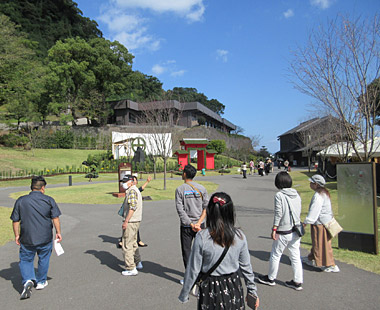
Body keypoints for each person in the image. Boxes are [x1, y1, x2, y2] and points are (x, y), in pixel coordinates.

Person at [179, 192, 259, 309]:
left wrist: (184, 294)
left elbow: (193, 269)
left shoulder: (202, 237)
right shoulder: (239, 236)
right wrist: (252, 291)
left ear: (209, 212)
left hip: (210, 288)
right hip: (233, 286)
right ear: (230, 212)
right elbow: (246, 267)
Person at [10, 176, 62, 300]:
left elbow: (15, 220)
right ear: (43, 188)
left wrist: (17, 234)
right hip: (45, 236)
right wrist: (58, 232)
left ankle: (28, 279)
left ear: (31, 186)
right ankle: (41, 281)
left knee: (26, 259)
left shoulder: (21, 201)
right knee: (44, 258)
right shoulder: (49, 200)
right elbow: (55, 218)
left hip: (27, 237)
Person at [258, 171, 303, 291]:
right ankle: (297, 281)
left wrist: (274, 228)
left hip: (284, 230)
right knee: (295, 256)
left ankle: (271, 278)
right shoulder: (297, 194)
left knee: (276, 254)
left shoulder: (279, 195)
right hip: (296, 230)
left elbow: (279, 213)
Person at [175, 164, 208, 284]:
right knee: (202, 251)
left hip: (186, 226)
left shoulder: (180, 189)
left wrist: (190, 224)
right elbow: (206, 208)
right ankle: (203, 276)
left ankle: (190, 277)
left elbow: (180, 209)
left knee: (187, 251)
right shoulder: (202, 188)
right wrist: (198, 223)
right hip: (200, 225)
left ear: (184, 174)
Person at [302, 175, 340, 273]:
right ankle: (311, 258)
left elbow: (314, 211)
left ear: (316, 184)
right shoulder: (324, 193)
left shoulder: (318, 196)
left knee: (322, 244)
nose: (310, 184)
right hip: (326, 222)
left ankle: (330, 264)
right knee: (318, 243)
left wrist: (306, 222)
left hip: (320, 223)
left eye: (311, 182)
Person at [118, 175, 152, 249]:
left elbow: (133, 207)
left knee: (131, 230)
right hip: (132, 217)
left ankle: (134, 242)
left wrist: (147, 181)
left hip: (133, 216)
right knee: (130, 231)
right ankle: (125, 241)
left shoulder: (134, 191)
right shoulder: (132, 190)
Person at [120, 175, 144, 276]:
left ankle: (131, 267)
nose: (123, 184)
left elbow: (132, 207)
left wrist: (126, 221)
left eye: (125, 182)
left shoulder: (132, 191)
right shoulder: (133, 190)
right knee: (133, 242)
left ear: (131, 182)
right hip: (136, 220)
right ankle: (137, 262)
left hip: (131, 221)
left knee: (127, 244)